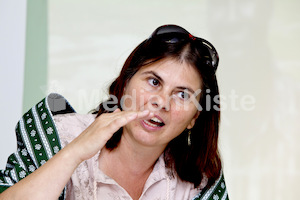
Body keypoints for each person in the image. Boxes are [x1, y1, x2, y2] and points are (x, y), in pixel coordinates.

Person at [0, 24, 229, 200]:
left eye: (182, 95)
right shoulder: (59, 136)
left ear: (194, 118)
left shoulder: (198, 182)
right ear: (125, 83)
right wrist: (74, 153)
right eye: (153, 82)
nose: (161, 102)